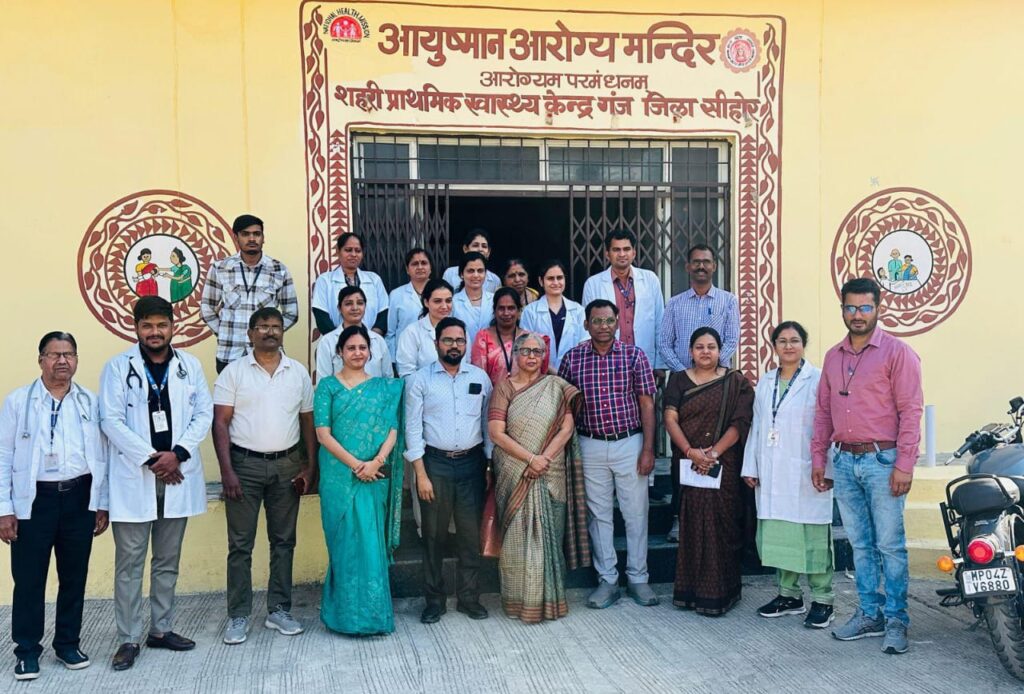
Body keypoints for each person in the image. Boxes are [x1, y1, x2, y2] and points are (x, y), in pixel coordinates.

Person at [99, 296, 213, 671]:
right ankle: (129, 638)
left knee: (167, 560)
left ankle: (161, 630)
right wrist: (152, 458)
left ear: (172, 327)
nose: (155, 332)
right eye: (147, 325)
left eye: (161, 325)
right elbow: (110, 421)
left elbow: (203, 414)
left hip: (176, 475)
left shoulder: (189, 366)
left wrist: (176, 454)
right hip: (137, 476)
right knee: (129, 564)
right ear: (136, 328)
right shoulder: (118, 367)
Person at [811, 277, 923, 655]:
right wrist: (819, 458)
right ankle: (869, 614)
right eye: (850, 307)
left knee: (889, 545)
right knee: (860, 545)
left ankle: (896, 620)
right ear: (842, 309)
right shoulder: (833, 356)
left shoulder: (897, 353)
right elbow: (823, 412)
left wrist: (904, 464)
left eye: (864, 307)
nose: (857, 315)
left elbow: (911, 411)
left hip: (883, 461)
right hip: (843, 461)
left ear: (878, 308)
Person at [0, 332, 109, 681]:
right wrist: (4, 508)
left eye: (69, 354)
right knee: (29, 579)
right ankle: (27, 651)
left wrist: (101, 502)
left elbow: (102, 455)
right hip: (34, 501)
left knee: (74, 576)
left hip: (79, 497)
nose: (62, 361)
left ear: (76, 360)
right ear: (41, 360)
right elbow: (3, 456)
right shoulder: (18, 401)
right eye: (54, 354)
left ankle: (67, 644)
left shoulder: (90, 402)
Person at [212, 308, 318, 645]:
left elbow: (308, 422)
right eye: (262, 327)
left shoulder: (297, 373)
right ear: (250, 333)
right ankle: (238, 615)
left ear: (282, 331)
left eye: (275, 327)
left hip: (287, 466)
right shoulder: (234, 372)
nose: (270, 332)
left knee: (284, 541)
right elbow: (220, 424)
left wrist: (309, 466)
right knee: (240, 545)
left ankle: (279, 610)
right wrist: (227, 471)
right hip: (245, 467)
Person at [558, 299, 658, 609]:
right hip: (590, 444)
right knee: (598, 515)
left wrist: (648, 449)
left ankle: (638, 578)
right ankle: (608, 580)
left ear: (617, 322)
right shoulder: (573, 358)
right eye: (597, 321)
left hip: (629, 442)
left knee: (635, 513)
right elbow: (564, 406)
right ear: (586, 324)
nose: (603, 326)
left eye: (609, 321)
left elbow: (647, 405)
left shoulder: (634, 356)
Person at [487, 332, 590, 623]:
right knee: (516, 541)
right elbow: (496, 433)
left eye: (538, 351)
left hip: (549, 470)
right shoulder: (504, 388)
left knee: (550, 536)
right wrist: (530, 459)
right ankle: (518, 602)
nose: (532, 356)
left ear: (544, 356)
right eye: (526, 351)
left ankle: (550, 602)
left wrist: (543, 459)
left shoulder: (556, 386)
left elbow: (567, 428)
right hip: (514, 471)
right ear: (516, 354)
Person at [741, 322, 834, 628]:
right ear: (774, 346)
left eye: (795, 340)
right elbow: (757, 426)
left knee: (812, 537)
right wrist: (750, 466)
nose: (789, 346)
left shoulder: (818, 379)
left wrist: (827, 467)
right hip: (773, 471)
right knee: (780, 536)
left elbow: (828, 426)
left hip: (807, 471)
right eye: (782, 341)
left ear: (804, 344)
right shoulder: (766, 382)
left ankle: (823, 599)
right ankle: (789, 595)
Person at [314, 325, 405, 635]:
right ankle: (343, 618)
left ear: (370, 352)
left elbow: (393, 429)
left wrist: (376, 462)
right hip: (339, 478)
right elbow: (323, 435)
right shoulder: (327, 386)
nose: (357, 353)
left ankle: (373, 618)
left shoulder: (383, 389)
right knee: (344, 548)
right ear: (340, 352)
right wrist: (357, 466)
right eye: (351, 348)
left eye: (362, 347)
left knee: (369, 546)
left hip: (374, 475)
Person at [404, 317, 493, 624]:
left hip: (472, 464)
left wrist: (489, 464)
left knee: (470, 536)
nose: (454, 346)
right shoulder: (420, 380)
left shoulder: (480, 378)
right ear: (436, 344)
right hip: (435, 464)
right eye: (448, 340)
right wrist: (421, 474)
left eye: (459, 340)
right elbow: (412, 429)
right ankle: (434, 601)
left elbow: (487, 424)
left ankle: (469, 598)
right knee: (434, 536)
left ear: (466, 344)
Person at [663, 327, 754, 616]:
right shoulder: (678, 380)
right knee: (692, 524)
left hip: (723, 463)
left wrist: (713, 453)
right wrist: (690, 451)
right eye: (699, 347)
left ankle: (722, 593)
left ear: (720, 350)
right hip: (688, 462)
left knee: (722, 524)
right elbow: (670, 418)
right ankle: (690, 591)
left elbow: (740, 422)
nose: (705, 352)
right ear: (691, 351)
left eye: (711, 347)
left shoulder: (735, 382)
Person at [201, 214, 299, 372]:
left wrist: (270, 333)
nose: (252, 239)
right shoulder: (220, 268)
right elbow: (207, 308)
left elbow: (291, 313)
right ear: (236, 238)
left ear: (263, 238)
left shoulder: (278, 270)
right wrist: (224, 332)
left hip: (268, 355)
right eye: (245, 234)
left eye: (257, 234)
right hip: (229, 354)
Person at [581, 229, 666, 376]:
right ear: (607, 254)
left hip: (644, 359)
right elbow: (588, 328)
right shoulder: (593, 284)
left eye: (626, 249)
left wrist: (659, 364)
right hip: (606, 361)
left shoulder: (650, 279)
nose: (622, 254)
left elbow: (660, 322)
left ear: (634, 253)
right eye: (616, 250)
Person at [659, 244, 740, 372]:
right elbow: (664, 344)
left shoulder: (729, 301)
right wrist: (683, 372)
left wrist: (710, 368)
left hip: (717, 377)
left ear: (714, 267)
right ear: (688, 267)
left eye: (706, 262)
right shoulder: (674, 303)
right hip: (682, 376)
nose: (701, 266)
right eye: (696, 262)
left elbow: (732, 340)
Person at [311, 232, 389, 337]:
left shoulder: (374, 279)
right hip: (336, 342)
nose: (353, 254)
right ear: (338, 251)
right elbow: (321, 315)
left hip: (371, 341)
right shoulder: (325, 280)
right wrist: (340, 340)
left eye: (358, 250)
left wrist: (371, 338)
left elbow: (384, 312)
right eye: (348, 250)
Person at [470, 287, 549, 385]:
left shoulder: (530, 339)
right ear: (494, 311)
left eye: (511, 308)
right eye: (501, 308)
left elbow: (538, 376)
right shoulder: (483, 337)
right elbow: (479, 376)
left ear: (519, 311)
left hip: (525, 393)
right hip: (492, 393)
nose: (506, 313)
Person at [520, 260, 586, 373]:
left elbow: (584, 345)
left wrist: (566, 375)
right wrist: (554, 372)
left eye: (559, 278)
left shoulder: (578, 310)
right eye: (550, 278)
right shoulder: (530, 311)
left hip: (574, 374)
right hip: (540, 375)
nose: (556, 282)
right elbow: (527, 346)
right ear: (541, 281)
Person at [316, 286, 394, 381]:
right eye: (348, 304)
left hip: (376, 391)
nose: (355, 308)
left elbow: (388, 380)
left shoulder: (378, 341)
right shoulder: (328, 342)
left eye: (360, 303)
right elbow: (323, 382)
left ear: (365, 306)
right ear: (339, 308)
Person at [396, 278, 454, 378]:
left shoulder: (460, 330)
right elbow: (407, 374)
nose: (444, 306)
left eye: (448, 301)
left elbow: (467, 365)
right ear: (426, 302)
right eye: (437, 301)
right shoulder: (412, 332)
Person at [386, 248, 433, 360]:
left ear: (430, 268)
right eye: (415, 264)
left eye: (424, 263)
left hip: (434, 355)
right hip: (405, 356)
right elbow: (391, 333)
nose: (420, 267)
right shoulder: (396, 295)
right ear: (407, 269)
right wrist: (393, 360)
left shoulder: (441, 292)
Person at [452, 252, 495, 342]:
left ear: (486, 273)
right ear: (461, 274)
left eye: (480, 271)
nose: (476, 275)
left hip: (491, 350)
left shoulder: (494, 300)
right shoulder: (453, 302)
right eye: (470, 271)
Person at [442, 228, 501, 293]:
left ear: (489, 252)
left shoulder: (495, 280)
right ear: (465, 249)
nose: (480, 249)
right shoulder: (450, 274)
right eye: (475, 245)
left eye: (484, 246)